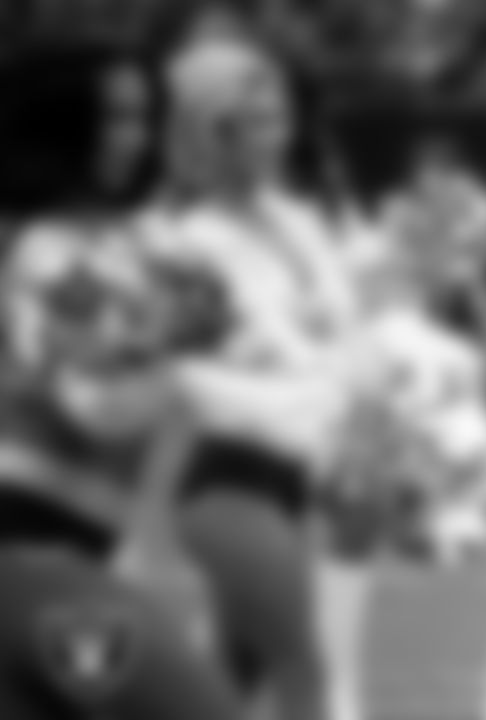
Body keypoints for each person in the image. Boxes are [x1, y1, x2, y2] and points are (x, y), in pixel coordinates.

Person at [0, 41, 244, 720]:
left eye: (142, 117)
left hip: (67, 562)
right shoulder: (43, 249)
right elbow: (98, 410)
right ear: (58, 125)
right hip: (31, 567)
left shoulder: (121, 243)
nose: (133, 138)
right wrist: (178, 351)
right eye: (112, 119)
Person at [150, 24, 362, 720]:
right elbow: (200, 381)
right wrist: (329, 402)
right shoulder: (186, 239)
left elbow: (346, 326)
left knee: (225, 688)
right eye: (256, 123)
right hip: (230, 489)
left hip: (289, 486)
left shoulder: (296, 219)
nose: (277, 136)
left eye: (280, 118)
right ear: (215, 133)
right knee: (303, 669)